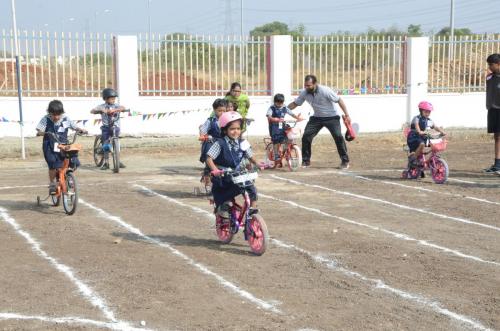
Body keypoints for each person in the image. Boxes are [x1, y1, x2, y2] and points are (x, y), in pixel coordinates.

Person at [205, 111, 262, 219]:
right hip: (223, 174)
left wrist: (258, 163)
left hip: (238, 173)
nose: (235, 131)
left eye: (238, 128)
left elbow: (250, 156)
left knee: (251, 188)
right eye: (232, 129)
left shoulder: (243, 142)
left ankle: (253, 210)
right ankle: (223, 206)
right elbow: (209, 158)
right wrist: (215, 170)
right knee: (224, 193)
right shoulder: (219, 143)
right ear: (225, 130)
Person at [288, 75, 351, 169]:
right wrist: (283, 109)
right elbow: (295, 104)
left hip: (332, 117)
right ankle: (306, 161)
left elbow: (339, 100)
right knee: (306, 137)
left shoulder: (325, 91)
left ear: (315, 83)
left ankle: (345, 161)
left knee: (338, 137)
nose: (306, 87)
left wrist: (347, 115)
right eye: (305, 85)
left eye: (309, 85)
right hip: (317, 118)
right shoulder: (305, 92)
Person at [36, 100, 87, 195]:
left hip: (63, 144)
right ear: (49, 113)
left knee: (71, 160)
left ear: (61, 113)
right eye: (53, 114)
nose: (56, 117)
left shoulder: (65, 119)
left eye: (58, 114)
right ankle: (52, 184)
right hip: (49, 145)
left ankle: (69, 177)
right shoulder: (46, 119)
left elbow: (74, 126)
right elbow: (39, 129)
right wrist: (41, 132)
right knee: (52, 164)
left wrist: (81, 130)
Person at [90, 88, 127, 170]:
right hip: (106, 128)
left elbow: (123, 108)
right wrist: (101, 110)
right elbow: (92, 111)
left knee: (116, 143)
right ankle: (106, 163)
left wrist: (115, 110)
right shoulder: (102, 106)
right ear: (105, 99)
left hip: (115, 127)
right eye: (111, 98)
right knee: (106, 144)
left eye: (114, 98)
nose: (113, 100)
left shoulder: (116, 105)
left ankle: (118, 160)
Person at [407, 101, 446, 167]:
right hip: (413, 137)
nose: (428, 113)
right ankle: (413, 160)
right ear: (421, 111)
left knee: (433, 144)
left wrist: (441, 131)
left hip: (422, 136)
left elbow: (435, 126)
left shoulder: (428, 120)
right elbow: (417, 126)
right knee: (422, 144)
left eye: (429, 112)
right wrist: (420, 131)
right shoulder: (416, 118)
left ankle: (429, 159)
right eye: (426, 111)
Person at [199, 98, 228, 184]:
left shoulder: (228, 120)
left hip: (223, 143)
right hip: (211, 142)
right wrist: (203, 135)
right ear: (215, 110)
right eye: (220, 111)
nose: (222, 113)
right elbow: (203, 130)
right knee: (209, 159)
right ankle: (207, 174)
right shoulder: (210, 121)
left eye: (224, 111)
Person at [266, 93, 302, 161]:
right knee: (276, 140)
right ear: (274, 102)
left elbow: (291, 113)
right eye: (278, 103)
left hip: (281, 125)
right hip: (274, 126)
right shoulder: (272, 108)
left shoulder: (285, 107)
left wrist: (297, 118)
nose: (280, 105)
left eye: (281, 103)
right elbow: (269, 116)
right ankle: (276, 155)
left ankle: (287, 151)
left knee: (288, 136)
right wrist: (274, 119)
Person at [484, 54, 500, 174]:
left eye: (491, 64)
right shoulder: (489, 77)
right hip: (493, 110)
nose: (489, 67)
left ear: (498, 64)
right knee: (497, 137)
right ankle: (497, 164)